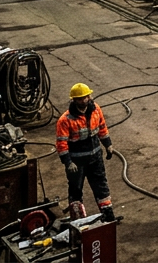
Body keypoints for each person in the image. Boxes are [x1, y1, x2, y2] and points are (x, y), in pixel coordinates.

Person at [56, 83, 116, 223]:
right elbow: (61, 143)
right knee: (76, 190)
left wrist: (108, 145)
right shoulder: (65, 120)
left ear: (90, 96)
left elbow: (102, 127)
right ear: (74, 100)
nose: (83, 100)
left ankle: (108, 215)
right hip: (77, 163)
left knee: (101, 187)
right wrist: (68, 162)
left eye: (85, 97)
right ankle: (78, 220)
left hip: (95, 158)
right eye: (80, 99)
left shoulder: (96, 110)